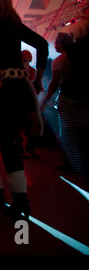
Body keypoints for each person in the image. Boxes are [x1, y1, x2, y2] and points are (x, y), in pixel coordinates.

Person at [0, 0, 48, 220]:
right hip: (19, 90)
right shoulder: (14, 24)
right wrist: (38, 77)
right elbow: (42, 45)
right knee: (9, 145)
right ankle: (20, 203)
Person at [41, 31, 88, 173]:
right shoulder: (82, 58)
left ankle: (71, 164)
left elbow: (54, 83)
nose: (54, 44)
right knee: (84, 133)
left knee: (67, 134)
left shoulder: (59, 61)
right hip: (85, 98)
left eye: (56, 41)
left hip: (67, 99)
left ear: (62, 44)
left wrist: (46, 100)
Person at [17, 50, 40, 159]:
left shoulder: (33, 71)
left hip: (31, 100)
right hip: (21, 100)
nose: (29, 55)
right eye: (26, 54)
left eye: (29, 54)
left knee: (32, 124)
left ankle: (30, 148)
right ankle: (20, 148)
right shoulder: (17, 70)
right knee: (21, 124)